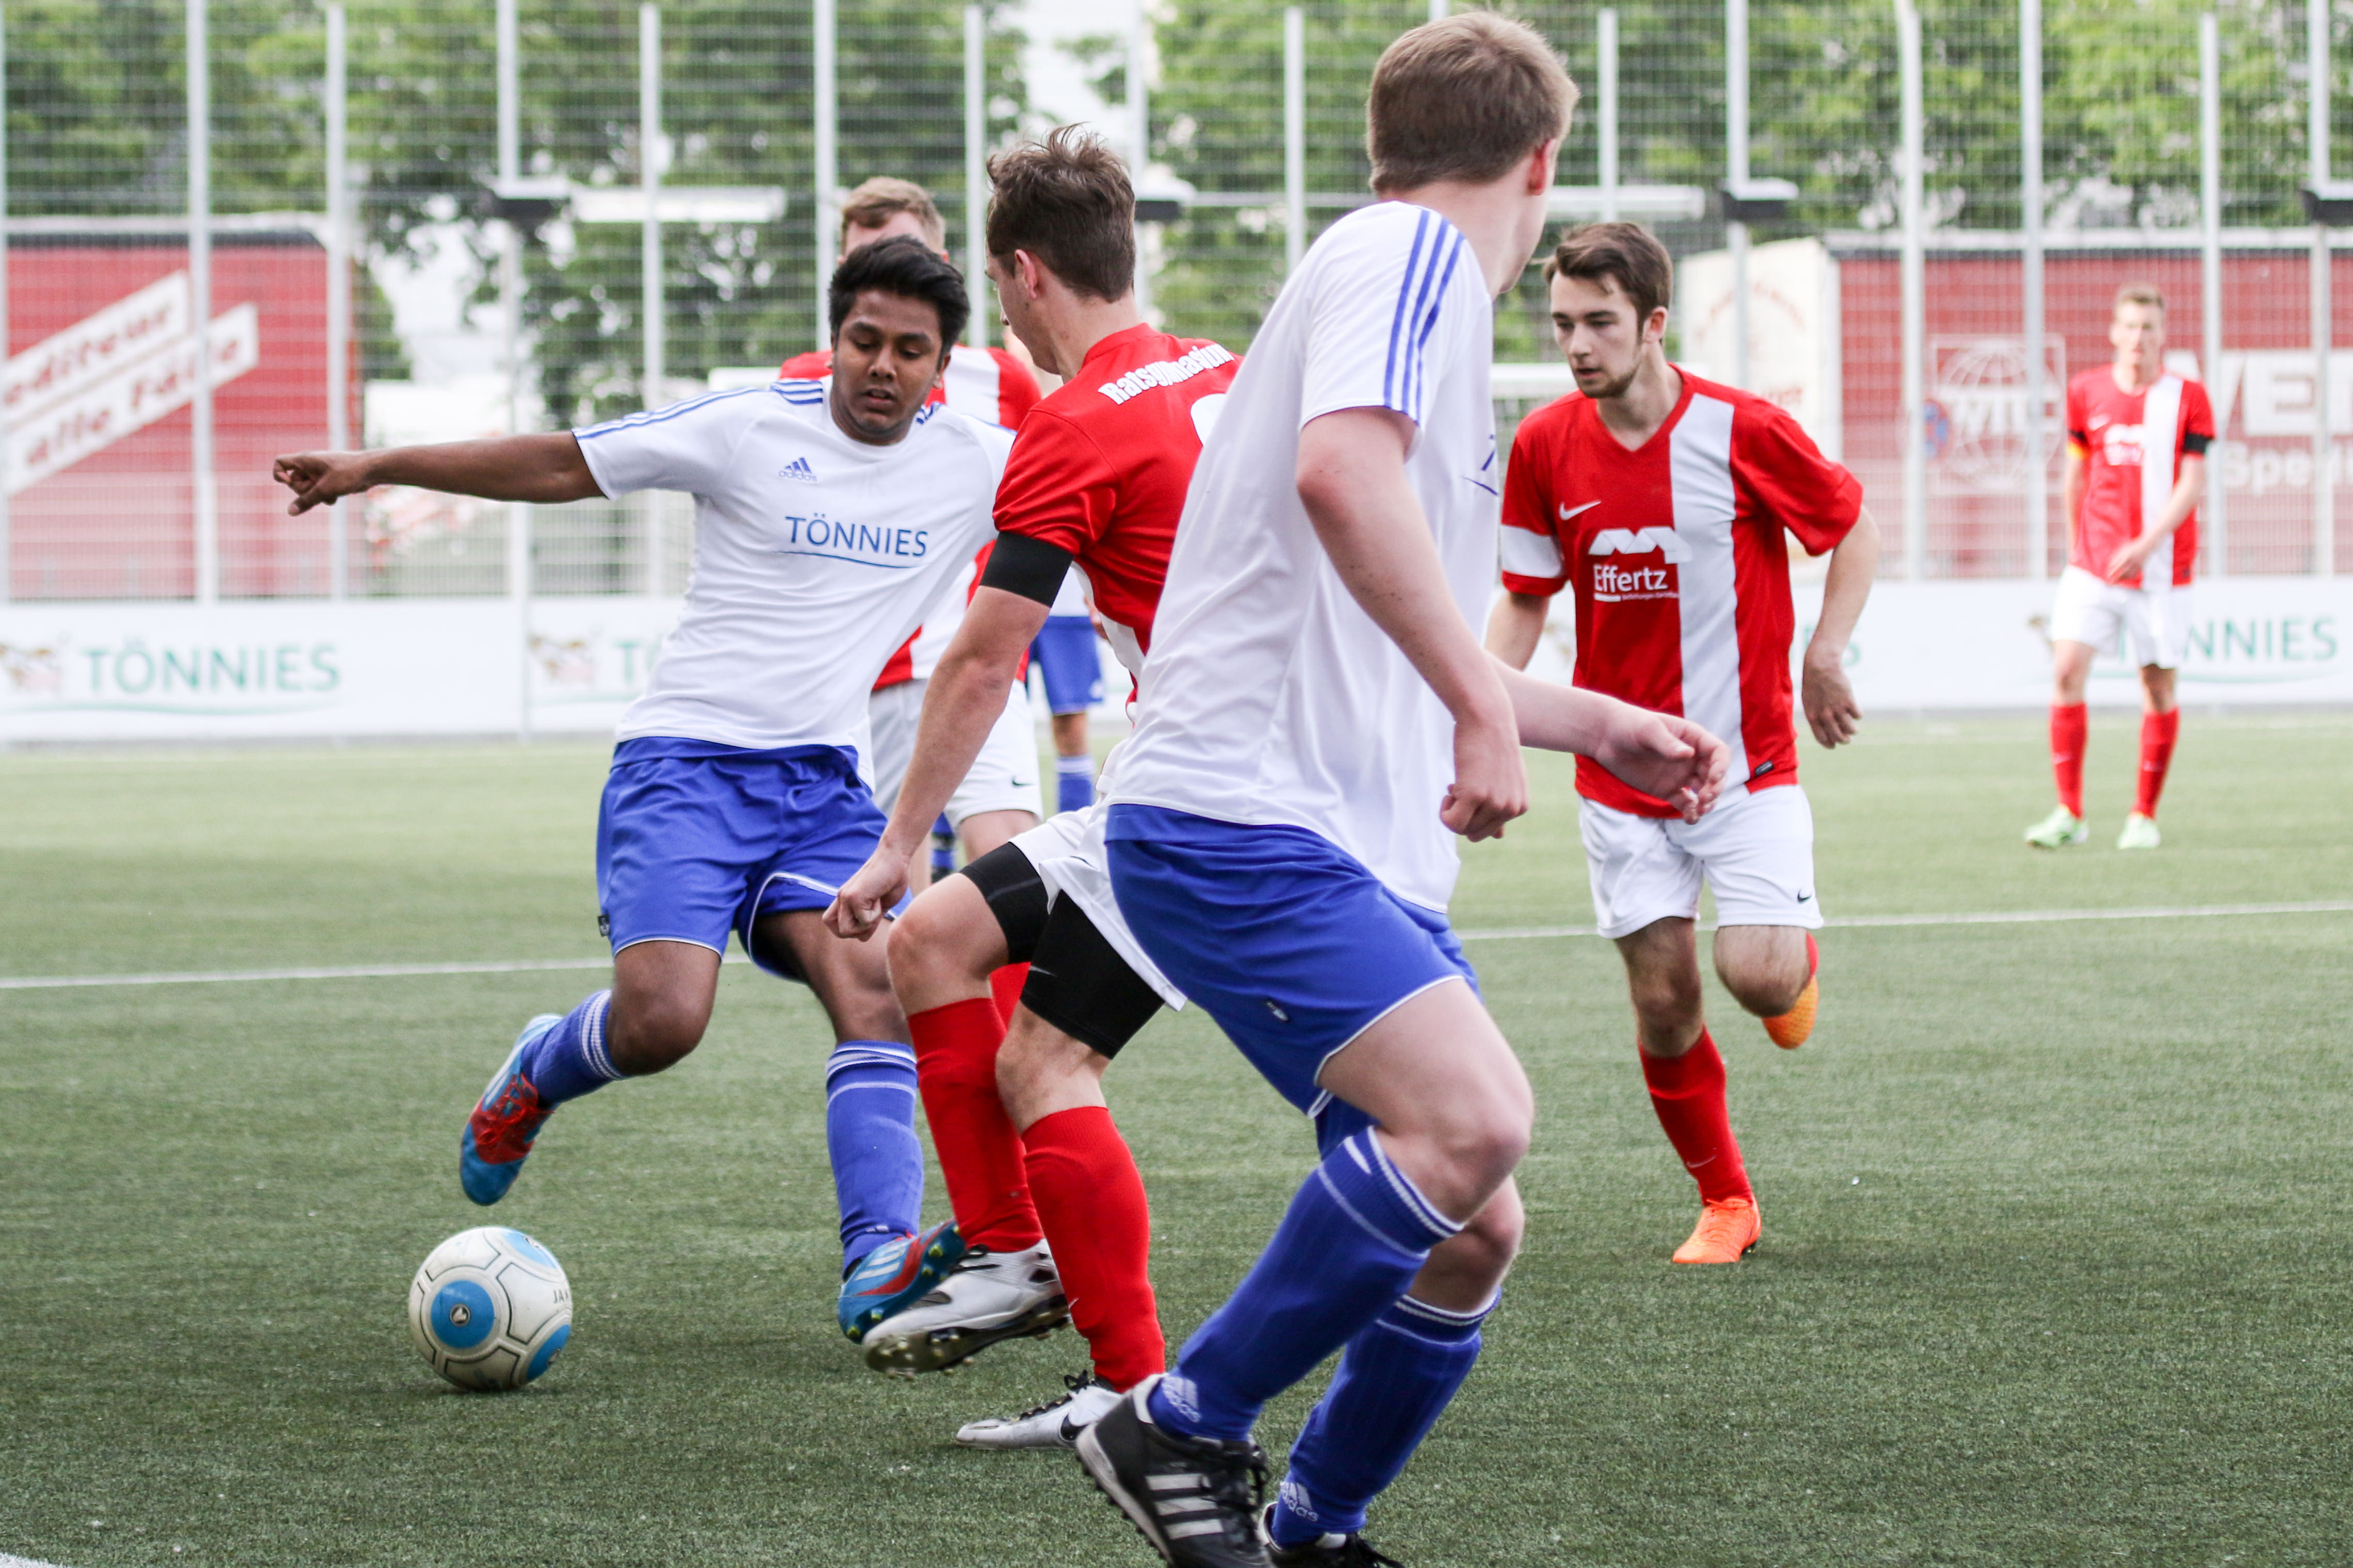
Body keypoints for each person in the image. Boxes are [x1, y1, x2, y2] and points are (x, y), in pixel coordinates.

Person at [1082, 19, 1727, 1566]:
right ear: (1538, 161)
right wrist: (1477, 705)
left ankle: (1314, 1528)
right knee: (1472, 1121)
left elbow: (1385, 614)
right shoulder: (1410, 253)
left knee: (1468, 1223)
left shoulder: (1394, 287)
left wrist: (1595, 722)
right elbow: (1338, 479)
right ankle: (1177, 1419)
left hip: (1311, 830)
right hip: (1242, 814)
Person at [271, 237, 1010, 1343]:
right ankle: (540, 1067)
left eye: (911, 350)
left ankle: (876, 1260)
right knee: (665, 1021)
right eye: (865, 340)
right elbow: (561, 462)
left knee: (877, 993)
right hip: (684, 766)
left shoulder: (980, 461)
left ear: (942, 366)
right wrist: (381, 465)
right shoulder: (748, 425)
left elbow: (1123, 482)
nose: (883, 367)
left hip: (821, 782)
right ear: (834, 341)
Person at [825, 127, 1241, 1448]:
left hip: (1213, 796)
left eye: (997, 289)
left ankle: (1133, 1382)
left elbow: (981, 656)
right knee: (933, 943)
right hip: (1203, 772)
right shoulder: (1225, 370)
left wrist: (896, 839)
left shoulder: (1073, 423)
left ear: (1023, 276)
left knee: (1045, 1058)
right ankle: (1012, 1249)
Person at [1483, 221, 1880, 1268]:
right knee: (1663, 1000)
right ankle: (1726, 1200)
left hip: (1749, 765)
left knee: (1757, 976)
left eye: (1599, 322)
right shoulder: (1541, 446)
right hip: (1618, 781)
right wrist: (1480, 717)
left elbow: (1850, 526)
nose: (1577, 344)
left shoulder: (1744, 428)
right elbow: (1523, 598)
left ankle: (1789, 964)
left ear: (1654, 322)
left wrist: (1824, 651)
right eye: (1562, 323)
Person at [779, 177, 1045, 884]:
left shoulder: (1002, 383)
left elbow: (1039, 511)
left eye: (901, 253)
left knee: (1013, 869)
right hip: (859, 686)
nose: (885, 274)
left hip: (974, 664)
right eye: (861, 262)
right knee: (889, 904)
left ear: (943, 266)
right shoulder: (802, 384)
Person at [2025, 283, 2211, 852]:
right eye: (2129, 326)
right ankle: (2069, 812)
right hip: (2093, 564)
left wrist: (2146, 543)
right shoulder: (2085, 391)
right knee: (2065, 671)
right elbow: (2075, 474)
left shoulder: (2188, 397)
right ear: (2113, 332)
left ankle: (2142, 815)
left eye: (2148, 327)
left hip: (2160, 569)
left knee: (2156, 685)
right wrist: (2074, 549)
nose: (2138, 337)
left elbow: (2191, 483)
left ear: (2163, 335)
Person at [1032, 571, 1107, 814]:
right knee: (987, 718)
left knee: (1071, 724)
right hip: (1001, 599)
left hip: (1070, 605)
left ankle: (1075, 825)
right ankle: (946, 835)